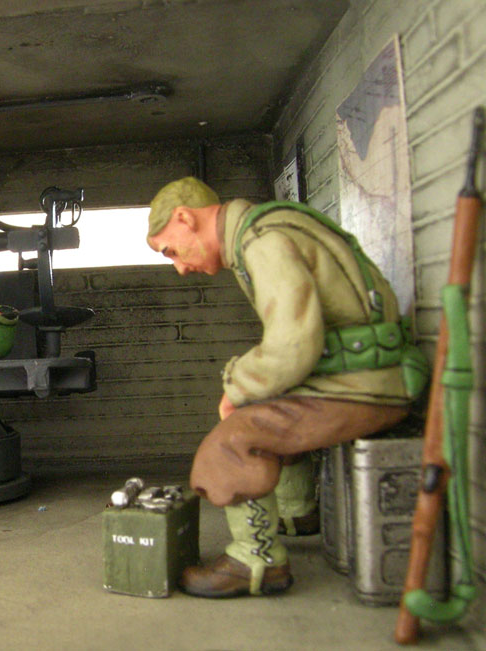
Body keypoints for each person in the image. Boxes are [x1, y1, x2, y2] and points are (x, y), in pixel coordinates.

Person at [146, 177, 427, 598]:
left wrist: (236, 388)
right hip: (371, 373)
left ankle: (256, 560)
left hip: (367, 385)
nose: (179, 266)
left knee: (233, 437)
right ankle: (297, 513)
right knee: (270, 399)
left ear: (185, 219)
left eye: (171, 249)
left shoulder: (262, 241)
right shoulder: (263, 227)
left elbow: (293, 347)